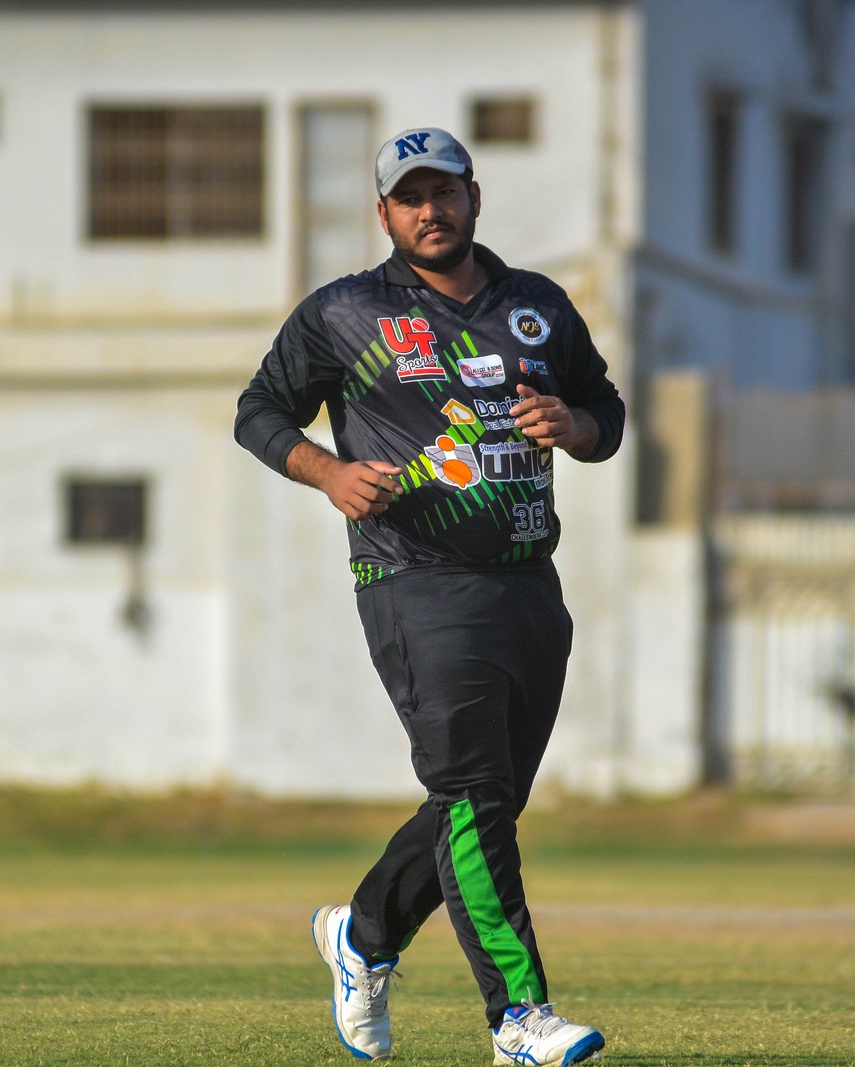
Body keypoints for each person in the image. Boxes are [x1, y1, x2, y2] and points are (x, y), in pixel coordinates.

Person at [234, 126, 623, 1066]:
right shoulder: (346, 312)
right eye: (409, 198)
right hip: (414, 577)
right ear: (384, 214)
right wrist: (328, 472)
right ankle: (519, 1016)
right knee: (473, 792)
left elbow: (606, 413)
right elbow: (259, 412)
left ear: (474, 196)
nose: (429, 210)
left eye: (443, 191)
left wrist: (574, 424)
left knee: (480, 804)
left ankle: (363, 933)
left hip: (529, 580)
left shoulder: (537, 305)